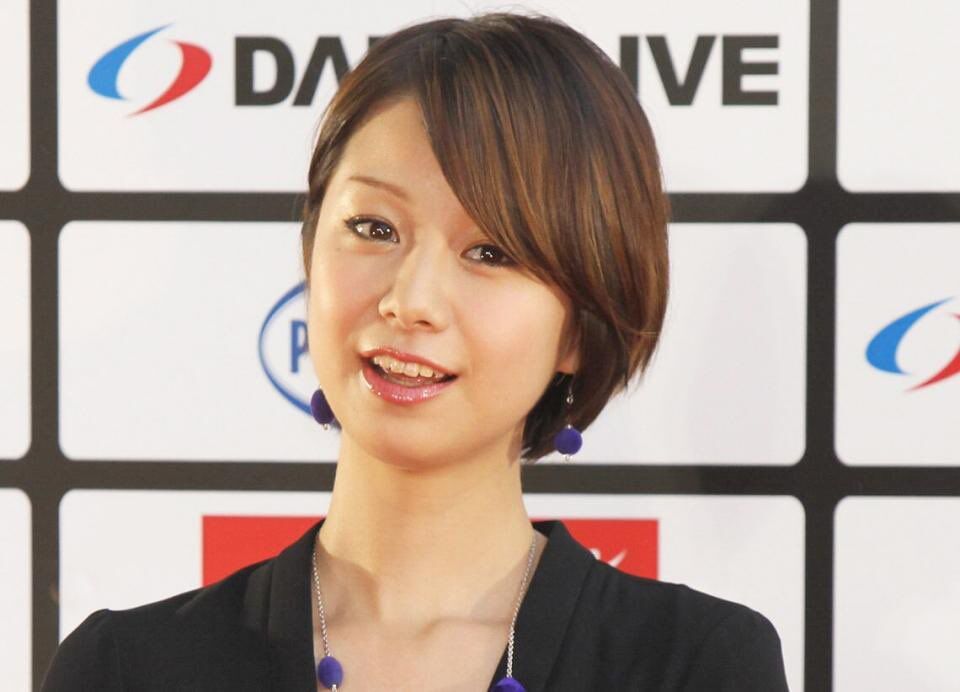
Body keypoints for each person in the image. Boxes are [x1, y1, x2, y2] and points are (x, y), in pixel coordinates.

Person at [42, 12, 789, 691]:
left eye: (491, 252)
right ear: (310, 251)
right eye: (374, 228)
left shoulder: (696, 665)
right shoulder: (123, 668)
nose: (410, 299)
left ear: (579, 327)